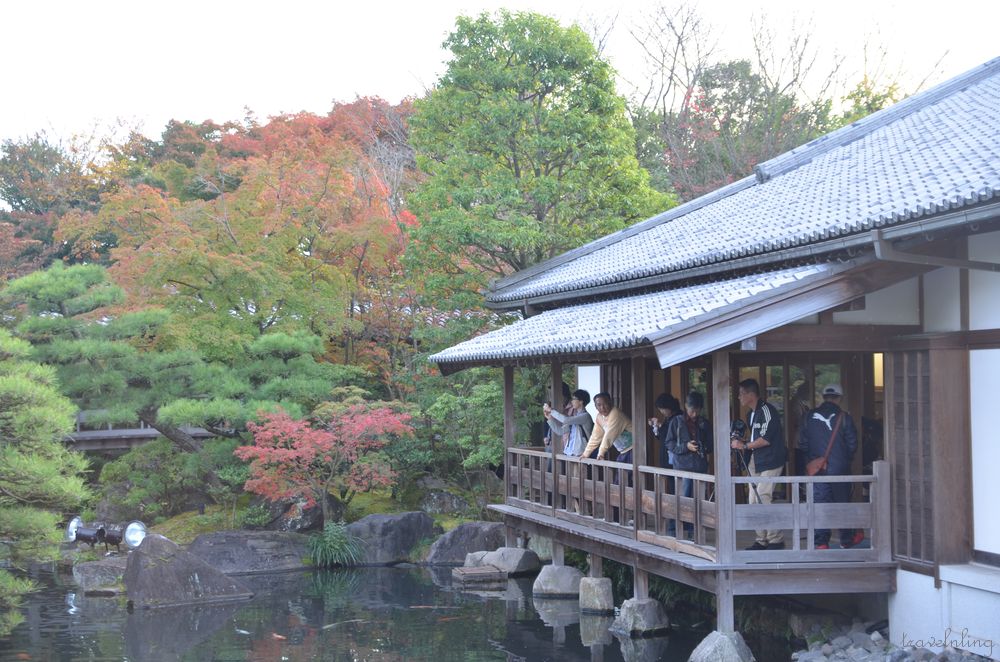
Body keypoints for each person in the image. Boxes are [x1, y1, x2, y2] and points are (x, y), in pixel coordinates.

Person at [798, 383, 863, 549]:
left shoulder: (808, 416)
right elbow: (852, 444)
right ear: (839, 398)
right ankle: (846, 540)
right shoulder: (844, 417)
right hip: (840, 470)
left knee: (820, 505)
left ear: (824, 397)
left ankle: (821, 543)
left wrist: (813, 460)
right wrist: (843, 460)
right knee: (842, 504)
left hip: (818, 471)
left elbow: (802, 443)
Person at [730, 378, 786, 550]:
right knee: (753, 498)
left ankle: (776, 539)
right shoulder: (750, 414)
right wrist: (742, 441)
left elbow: (766, 439)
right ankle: (761, 539)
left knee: (763, 495)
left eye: (741, 394)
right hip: (756, 459)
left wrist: (744, 445)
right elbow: (756, 439)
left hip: (771, 459)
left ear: (750, 394)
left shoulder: (768, 411)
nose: (739, 397)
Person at [665, 391, 713, 538]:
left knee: (698, 499)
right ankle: (674, 529)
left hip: (699, 465)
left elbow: (711, 445)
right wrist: (686, 447)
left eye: (697, 410)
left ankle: (694, 530)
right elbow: (669, 443)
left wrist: (702, 447)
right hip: (682, 466)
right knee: (682, 497)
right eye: (692, 410)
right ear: (686, 406)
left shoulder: (704, 423)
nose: (694, 413)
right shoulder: (676, 421)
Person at [583, 392, 633, 463]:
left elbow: (609, 435)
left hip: (634, 448)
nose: (602, 407)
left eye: (605, 404)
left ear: (610, 402)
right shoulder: (599, 417)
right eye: (599, 405)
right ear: (595, 407)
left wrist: (601, 452)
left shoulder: (615, 413)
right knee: (621, 473)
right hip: (623, 451)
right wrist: (586, 454)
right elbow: (596, 436)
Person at [544, 389, 594, 458]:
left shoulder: (585, 416)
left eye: (574, 399)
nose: (572, 401)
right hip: (570, 453)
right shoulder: (574, 418)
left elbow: (565, 420)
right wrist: (550, 419)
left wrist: (551, 411)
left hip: (581, 455)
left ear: (581, 401)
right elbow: (560, 431)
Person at [649, 393, 682, 469]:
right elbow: (661, 437)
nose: (661, 412)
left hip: (675, 459)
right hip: (666, 458)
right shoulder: (668, 418)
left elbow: (670, 435)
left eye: (662, 409)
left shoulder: (679, 417)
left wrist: (660, 426)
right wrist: (656, 426)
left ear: (668, 406)